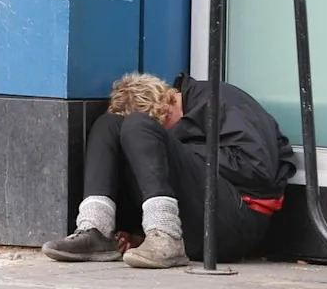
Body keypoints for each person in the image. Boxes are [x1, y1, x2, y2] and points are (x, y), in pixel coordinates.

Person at [41, 72, 295, 269]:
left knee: (138, 125)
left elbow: (258, 170)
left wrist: (174, 142)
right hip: (196, 219)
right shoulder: (172, 116)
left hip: (238, 220)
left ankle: (166, 234)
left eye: (165, 126)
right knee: (109, 124)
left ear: (169, 103)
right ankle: (96, 229)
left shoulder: (222, 101)